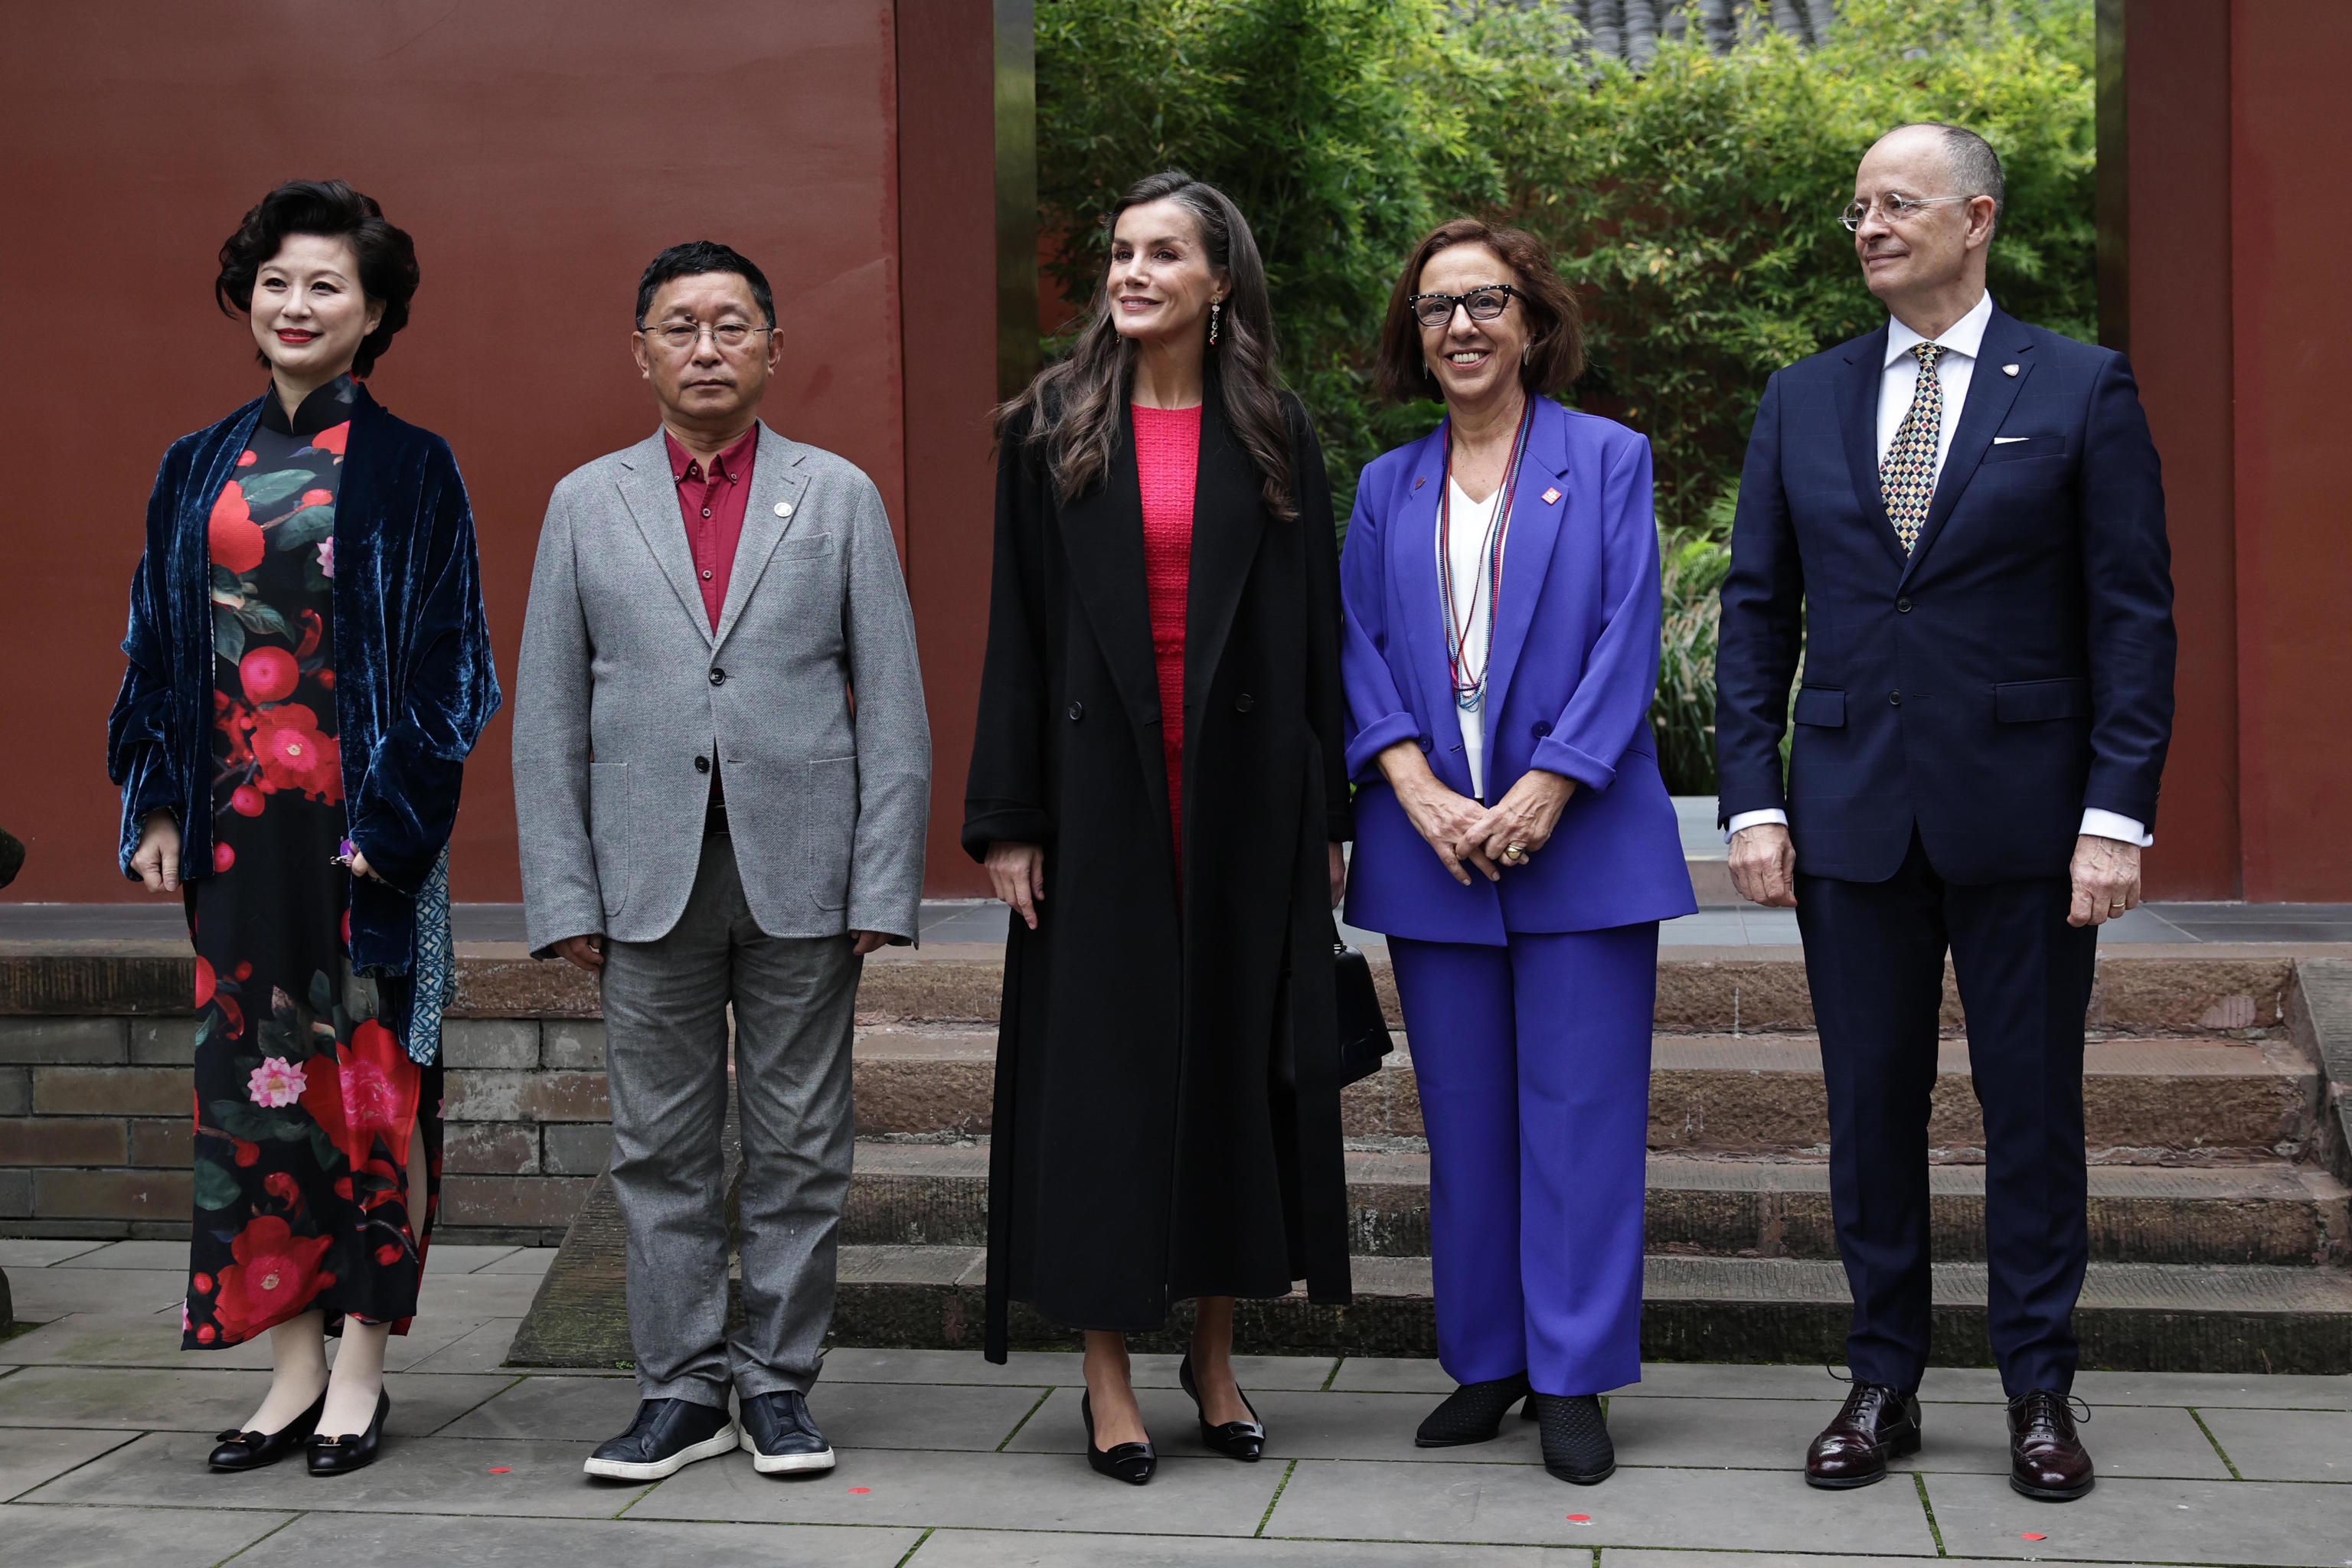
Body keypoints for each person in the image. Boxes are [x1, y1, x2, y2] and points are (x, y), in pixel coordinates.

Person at [1714, 124, 2175, 1501]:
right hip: (1850, 812)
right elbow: (1756, 614)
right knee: (1870, 1108)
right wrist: (1751, 800)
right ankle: (1882, 1380)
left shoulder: (2084, 387)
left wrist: (2118, 815)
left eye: (1897, 203)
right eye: (1856, 206)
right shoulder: (1803, 396)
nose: (1868, 225)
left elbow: (2132, 618)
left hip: (2031, 819)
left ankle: (2039, 1388)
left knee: (2031, 1110)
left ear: (1977, 217)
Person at [514, 240, 930, 1483]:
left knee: (803, 1144)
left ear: (773, 348)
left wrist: (882, 881)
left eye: (731, 326)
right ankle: (681, 1389)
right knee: (659, 1148)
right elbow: (546, 717)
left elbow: (893, 702)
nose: (706, 348)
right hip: (643, 878)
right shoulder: (587, 502)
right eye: (680, 327)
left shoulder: (839, 493)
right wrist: (562, 890)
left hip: (802, 870)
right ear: (638, 349)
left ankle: (779, 1384)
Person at [107, 179, 500, 1477]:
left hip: (364, 839)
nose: (296, 304)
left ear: (375, 311)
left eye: (326, 284)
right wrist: (158, 796)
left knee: (373, 1090)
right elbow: (158, 650)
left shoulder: (414, 464)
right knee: (254, 1092)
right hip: (234, 836)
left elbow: (454, 674)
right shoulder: (194, 465)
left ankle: (364, 1368)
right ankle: (287, 1364)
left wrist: (396, 828)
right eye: (277, 281)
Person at [965, 170, 1353, 1485]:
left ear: (1218, 282)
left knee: (1234, 1070)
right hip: (1097, 806)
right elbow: (1015, 632)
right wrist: (1007, 820)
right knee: (1106, 1084)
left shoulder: (1275, 428)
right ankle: (1106, 1376)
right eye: (1121, 252)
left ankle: (1216, 1355)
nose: (1131, 272)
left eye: (1162, 254)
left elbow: (1315, 633)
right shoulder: (1049, 427)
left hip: (1245, 799)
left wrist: (1333, 807)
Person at [1338, 220, 1694, 1486]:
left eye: (1487, 302)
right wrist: (1414, 785)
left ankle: (1575, 1375)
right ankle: (1489, 1358)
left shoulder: (1606, 461)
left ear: (1533, 322)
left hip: (1580, 842)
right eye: (1437, 309)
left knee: (1582, 1118)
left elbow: (1628, 629)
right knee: (1466, 1123)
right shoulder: (1386, 487)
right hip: (1434, 847)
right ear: (1415, 338)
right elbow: (1357, 646)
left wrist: (1550, 783)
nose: (1463, 327)